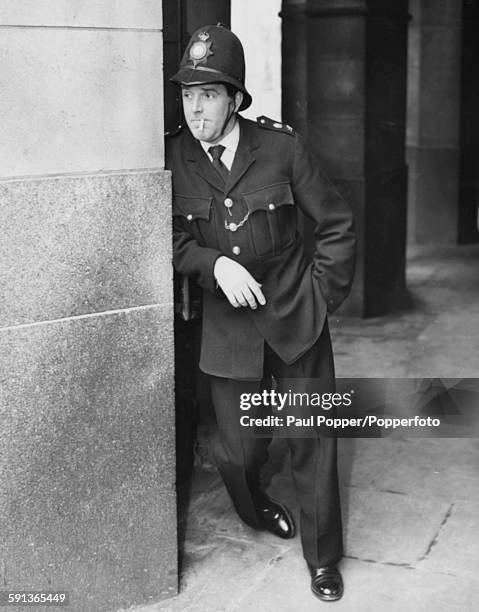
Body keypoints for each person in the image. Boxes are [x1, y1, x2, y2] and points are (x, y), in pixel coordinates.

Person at [166, 24, 356, 602]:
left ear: (235, 98)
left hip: (297, 319)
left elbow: (337, 226)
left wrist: (322, 298)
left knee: (312, 440)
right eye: (187, 95)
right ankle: (257, 509)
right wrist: (210, 264)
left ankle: (323, 558)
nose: (196, 108)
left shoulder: (281, 148)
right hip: (229, 332)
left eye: (208, 95)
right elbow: (170, 236)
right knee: (237, 451)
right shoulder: (173, 156)